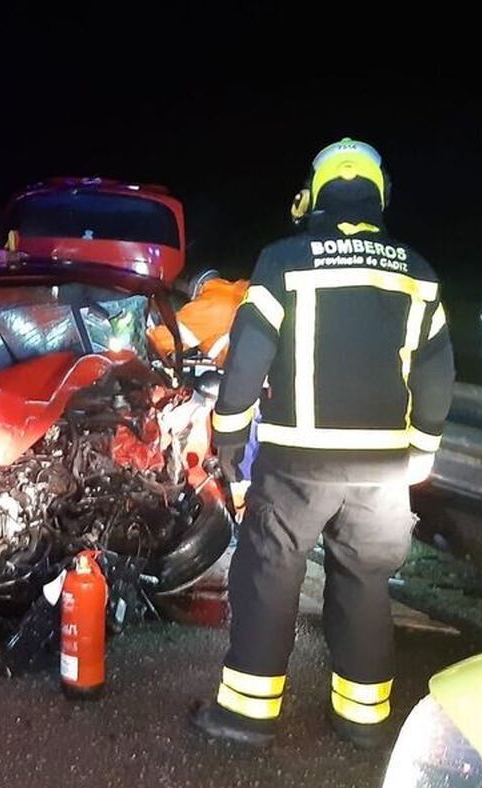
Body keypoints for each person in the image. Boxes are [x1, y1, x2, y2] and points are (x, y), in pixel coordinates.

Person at [190, 139, 454, 749]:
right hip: (384, 471)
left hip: (296, 465)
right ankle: (363, 719)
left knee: (269, 576)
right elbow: (437, 373)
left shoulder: (284, 260)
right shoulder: (418, 272)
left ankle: (248, 716)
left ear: (315, 194)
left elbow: (249, 356)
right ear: (379, 194)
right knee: (365, 583)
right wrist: (423, 450)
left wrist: (229, 435)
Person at [149, 269, 249, 366]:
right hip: (259, 354)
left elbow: (164, 340)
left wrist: (143, 337)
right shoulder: (239, 287)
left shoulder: (208, 305)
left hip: (248, 366)